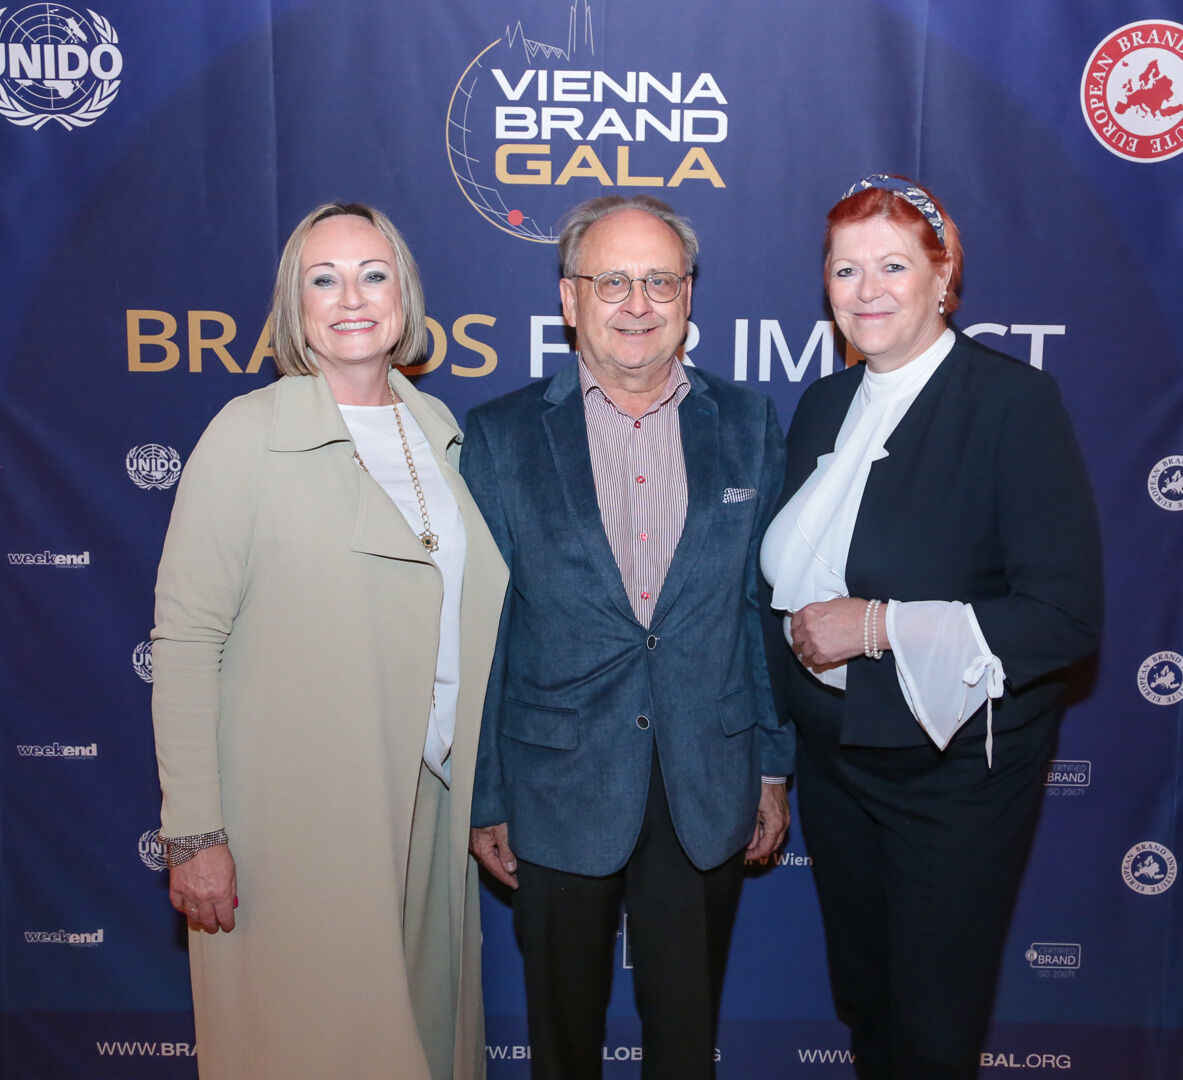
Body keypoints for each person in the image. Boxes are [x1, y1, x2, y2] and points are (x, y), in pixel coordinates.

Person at [150, 202, 508, 1080]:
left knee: (419, 1038)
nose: (352, 298)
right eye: (324, 279)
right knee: (311, 1047)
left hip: (427, 803)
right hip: (291, 822)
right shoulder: (247, 435)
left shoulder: (437, 429)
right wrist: (194, 834)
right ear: (295, 306)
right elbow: (187, 639)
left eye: (373, 275)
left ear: (404, 296)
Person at [760, 174, 1103, 1079]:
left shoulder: (1010, 402)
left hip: (950, 776)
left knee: (931, 1029)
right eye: (845, 269)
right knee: (867, 1004)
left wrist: (877, 625)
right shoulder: (824, 403)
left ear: (942, 275)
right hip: (834, 764)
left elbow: (1063, 619)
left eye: (892, 265)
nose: (865, 289)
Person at [461, 194, 793, 1080]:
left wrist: (770, 765)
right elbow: (483, 633)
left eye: (659, 281)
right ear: (568, 298)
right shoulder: (498, 436)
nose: (637, 304)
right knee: (560, 1044)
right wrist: (485, 795)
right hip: (554, 784)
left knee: (685, 1043)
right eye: (611, 281)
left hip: (704, 780)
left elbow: (758, 608)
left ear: (688, 296)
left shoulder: (749, 424)